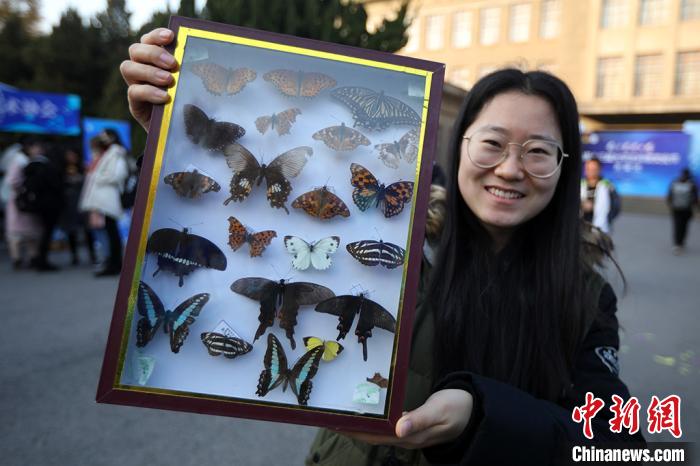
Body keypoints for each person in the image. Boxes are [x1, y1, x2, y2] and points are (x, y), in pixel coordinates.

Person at [122, 29, 643, 465]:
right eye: (492, 143)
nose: (509, 168)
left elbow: (619, 446)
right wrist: (179, 143)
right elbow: (253, 234)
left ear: (564, 165)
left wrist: (482, 414)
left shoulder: (586, 294)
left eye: (537, 151)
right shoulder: (393, 240)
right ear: (459, 145)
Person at [79, 130, 128, 276]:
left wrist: (99, 177)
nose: (102, 138)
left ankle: (115, 265)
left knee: (111, 232)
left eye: (104, 135)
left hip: (108, 199)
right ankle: (113, 264)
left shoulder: (117, 152)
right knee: (109, 231)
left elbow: (118, 174)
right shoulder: (111, 153)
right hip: (105, 199)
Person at [3, 139, 41, 269]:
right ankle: (18, 258)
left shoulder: (22, 160)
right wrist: (23, 188)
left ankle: (29, 257)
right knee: (19, 232)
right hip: (21, 201)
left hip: (21, 200)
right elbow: (12, 181)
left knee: (25, 231)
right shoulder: (19, 161)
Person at [59, 146, 97, 265]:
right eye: (69, 155)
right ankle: (74, 255)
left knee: (88, 230)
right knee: (72, 231)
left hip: (83, 201)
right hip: (69, 204)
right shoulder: (61, 169)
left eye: (73, 155)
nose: (71, 157)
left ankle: (92, 255)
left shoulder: (84, 167)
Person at [667, 168, 698, 254]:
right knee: (684, 226)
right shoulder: (692, 184)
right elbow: (695, 199)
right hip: (687, 210)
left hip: (676, 209)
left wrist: (671, 205)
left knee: (677, 226)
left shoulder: (674, 182)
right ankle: (681, 243)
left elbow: (669, 196)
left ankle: (677, 244)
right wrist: (697, 209)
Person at [580, 157, 615, 233]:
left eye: (593, 169)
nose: (590, 171)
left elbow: (616, 206)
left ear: (599, 169)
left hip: (601, 229)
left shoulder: (607, 185)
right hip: (581, 228)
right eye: (588, 169)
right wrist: (582, 204)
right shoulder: (580, 184)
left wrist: (608, 219)